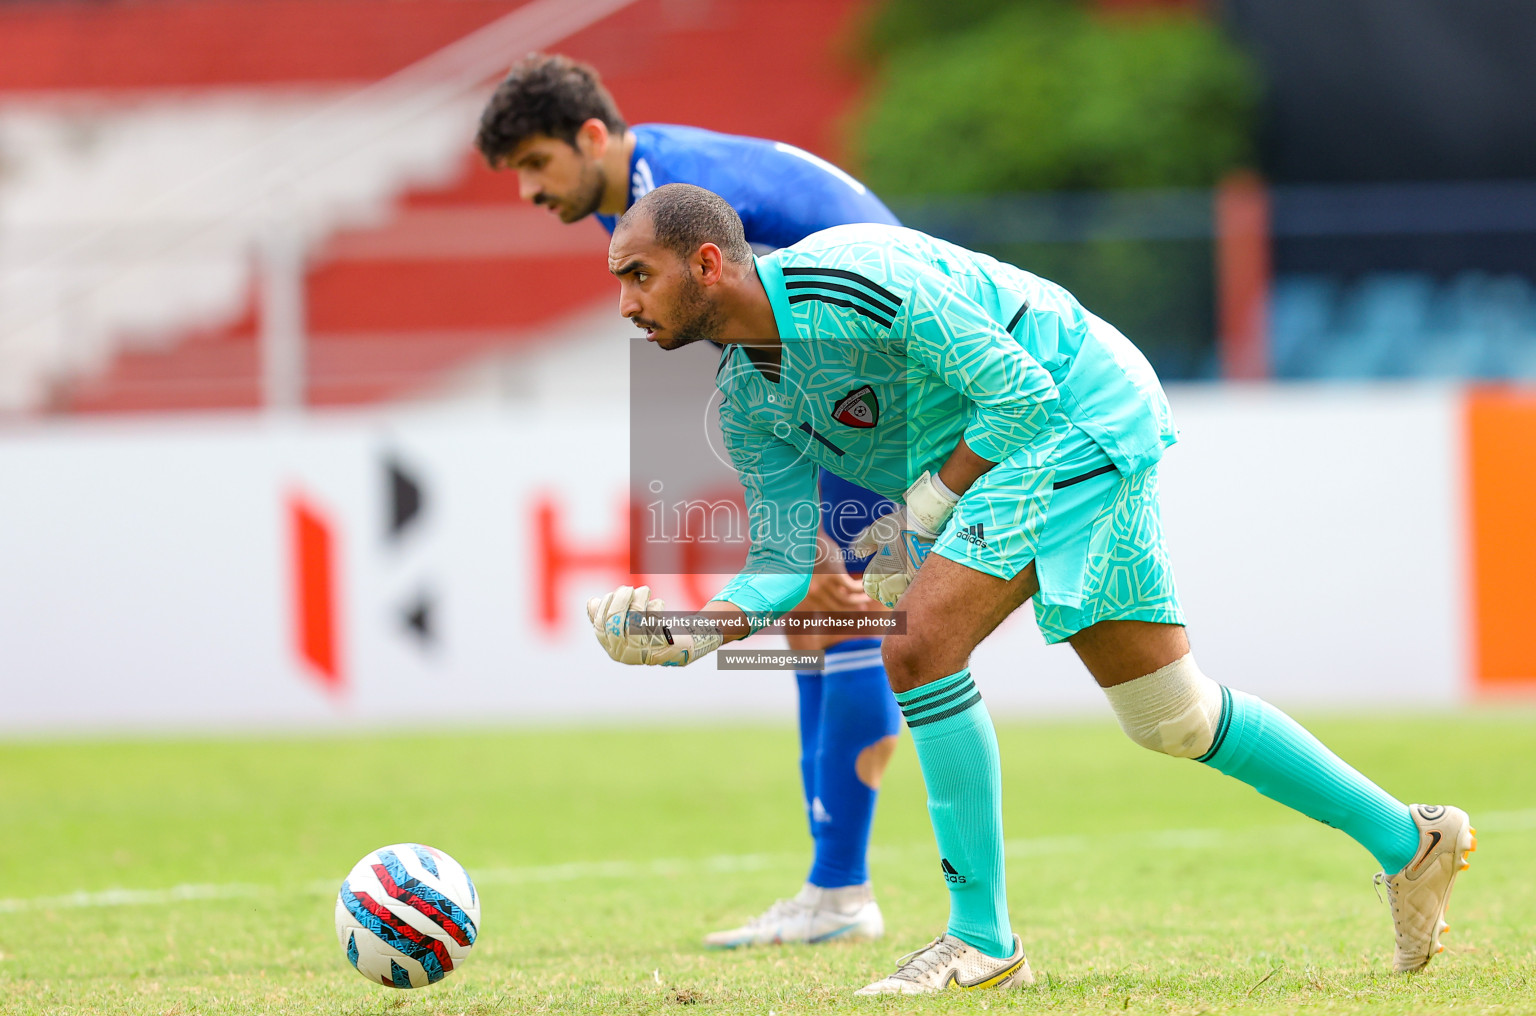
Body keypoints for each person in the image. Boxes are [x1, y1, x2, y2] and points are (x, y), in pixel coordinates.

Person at [586, 183, 1476, 995]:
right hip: (1021, 444)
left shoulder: (855, 276)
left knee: (916, 638)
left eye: (638, 275)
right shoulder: (744, 398)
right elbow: (783, 562)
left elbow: (1023, 398)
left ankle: (982, 940)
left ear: (707, 263)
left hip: (1078, 409)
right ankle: (1412, 840)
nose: (626, 302)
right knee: (1174, 717)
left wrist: (927, 505)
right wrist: (686, 633)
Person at [475, 55, 906, 948]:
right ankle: (836, 889)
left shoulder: (673, 190)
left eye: (534, 163)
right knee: (816, 617)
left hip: (881, 371)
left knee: (849, 613)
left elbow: (808, 297)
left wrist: (820, 528)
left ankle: (842, 895)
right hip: (835, 374)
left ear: (591, 136)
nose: (525, 189)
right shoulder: (638, 192)